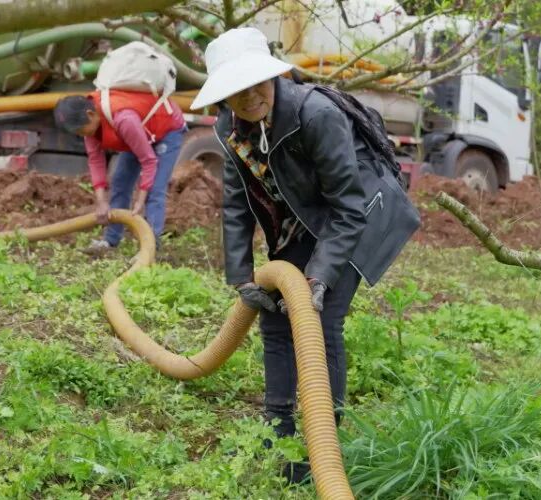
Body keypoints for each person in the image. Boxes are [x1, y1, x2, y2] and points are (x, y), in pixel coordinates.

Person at [191, 27, 417, 483]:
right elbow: (236, 204)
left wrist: (321, 274)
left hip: (353, 216)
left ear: (272, 76)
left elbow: (348, 206)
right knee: (275, 319)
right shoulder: (229, 127)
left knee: (321, 320)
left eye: (256, 84)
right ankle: (277, 430)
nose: (249, 97)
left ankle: (321, 444)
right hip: (297, 220)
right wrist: (242, 275)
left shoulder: (316, 114)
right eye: (236, 90)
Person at [54, 88, 185, 250]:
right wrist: (101, 202)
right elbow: (95, 161)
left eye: (80, 130)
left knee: (155, 189)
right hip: (138, 130)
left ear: (90, 114)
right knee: (120, 182)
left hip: (166, 129)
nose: (81, 135)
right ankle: (110, 241)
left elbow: (149, 161)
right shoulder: (91, 128)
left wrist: (140, 200)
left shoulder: (124, 119)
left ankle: (151, 246)